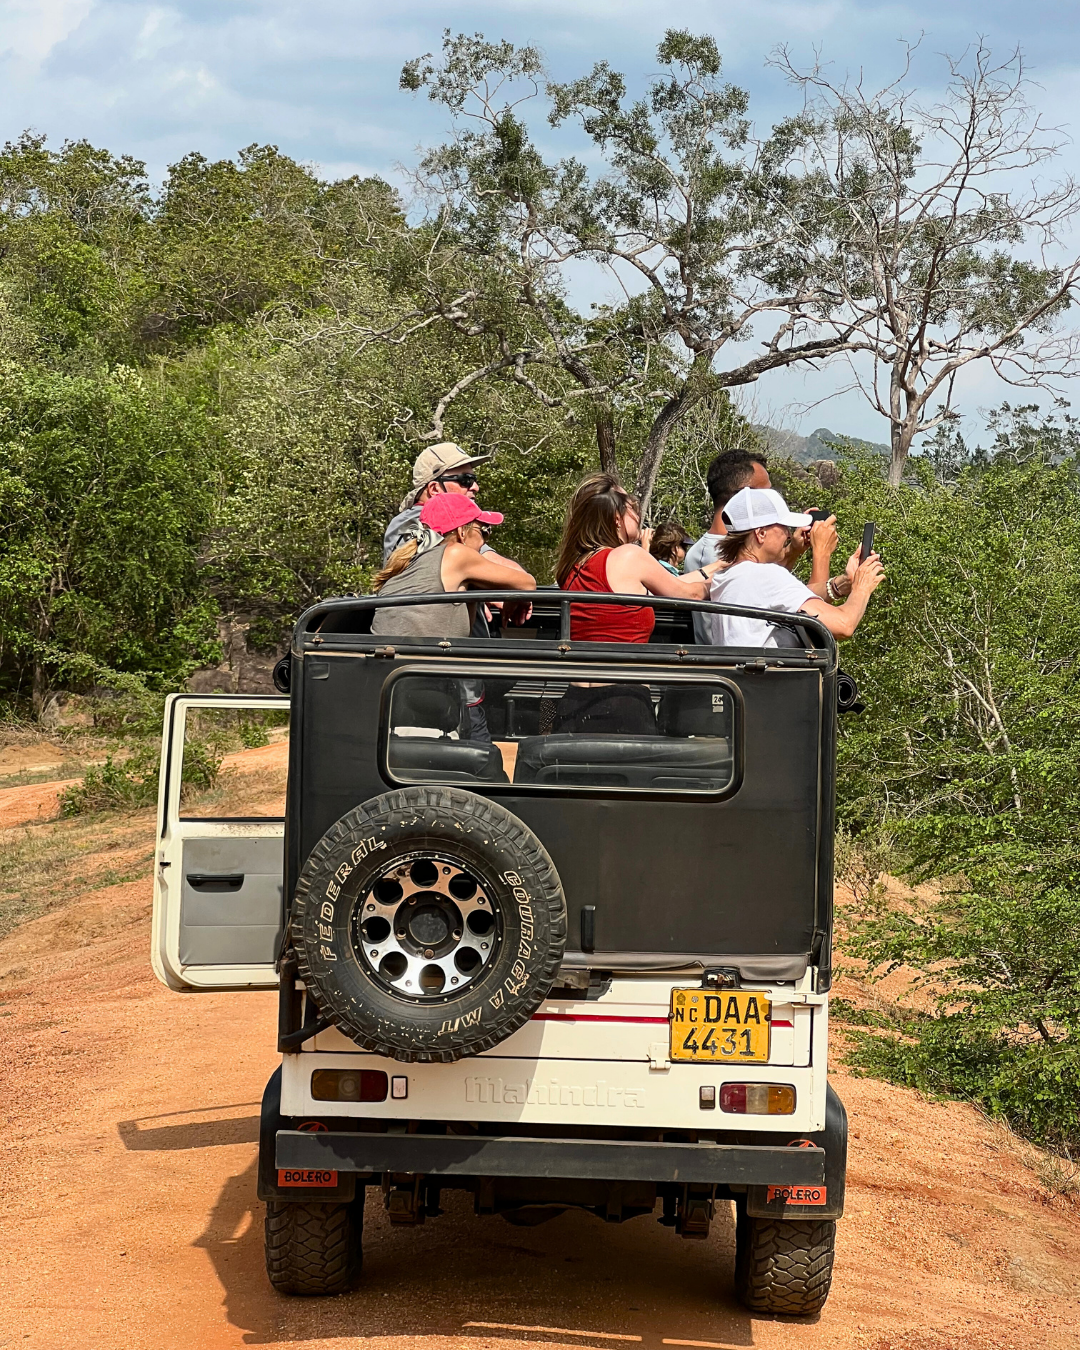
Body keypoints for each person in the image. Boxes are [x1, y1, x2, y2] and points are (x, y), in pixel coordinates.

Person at [553, 475, 722, 734]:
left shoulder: (573, 565)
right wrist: (736, 568)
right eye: (632, 505)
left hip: (573, 703)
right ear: (616, 518)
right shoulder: (629, 556)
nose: (637, 511)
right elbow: (690, 595)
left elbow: (666, 586)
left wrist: (715, 567)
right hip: (623, 704)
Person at [707, 487, 884, 647]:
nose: (788, 535)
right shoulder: (766, 575)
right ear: (761, 533)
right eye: (783, 527)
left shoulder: (725, 577)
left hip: (748, 679)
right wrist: (862, 586)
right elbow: (844, 625)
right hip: (773, 681)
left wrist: (844, 582)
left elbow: (804, 605)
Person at [370, 495, 535, 640]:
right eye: (483, 530)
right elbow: (528, 584)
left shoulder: (407, 562)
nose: (485, 540)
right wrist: (513, 599)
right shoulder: (456, 553)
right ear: (462, 532)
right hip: (426, 668)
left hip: (393, 667)